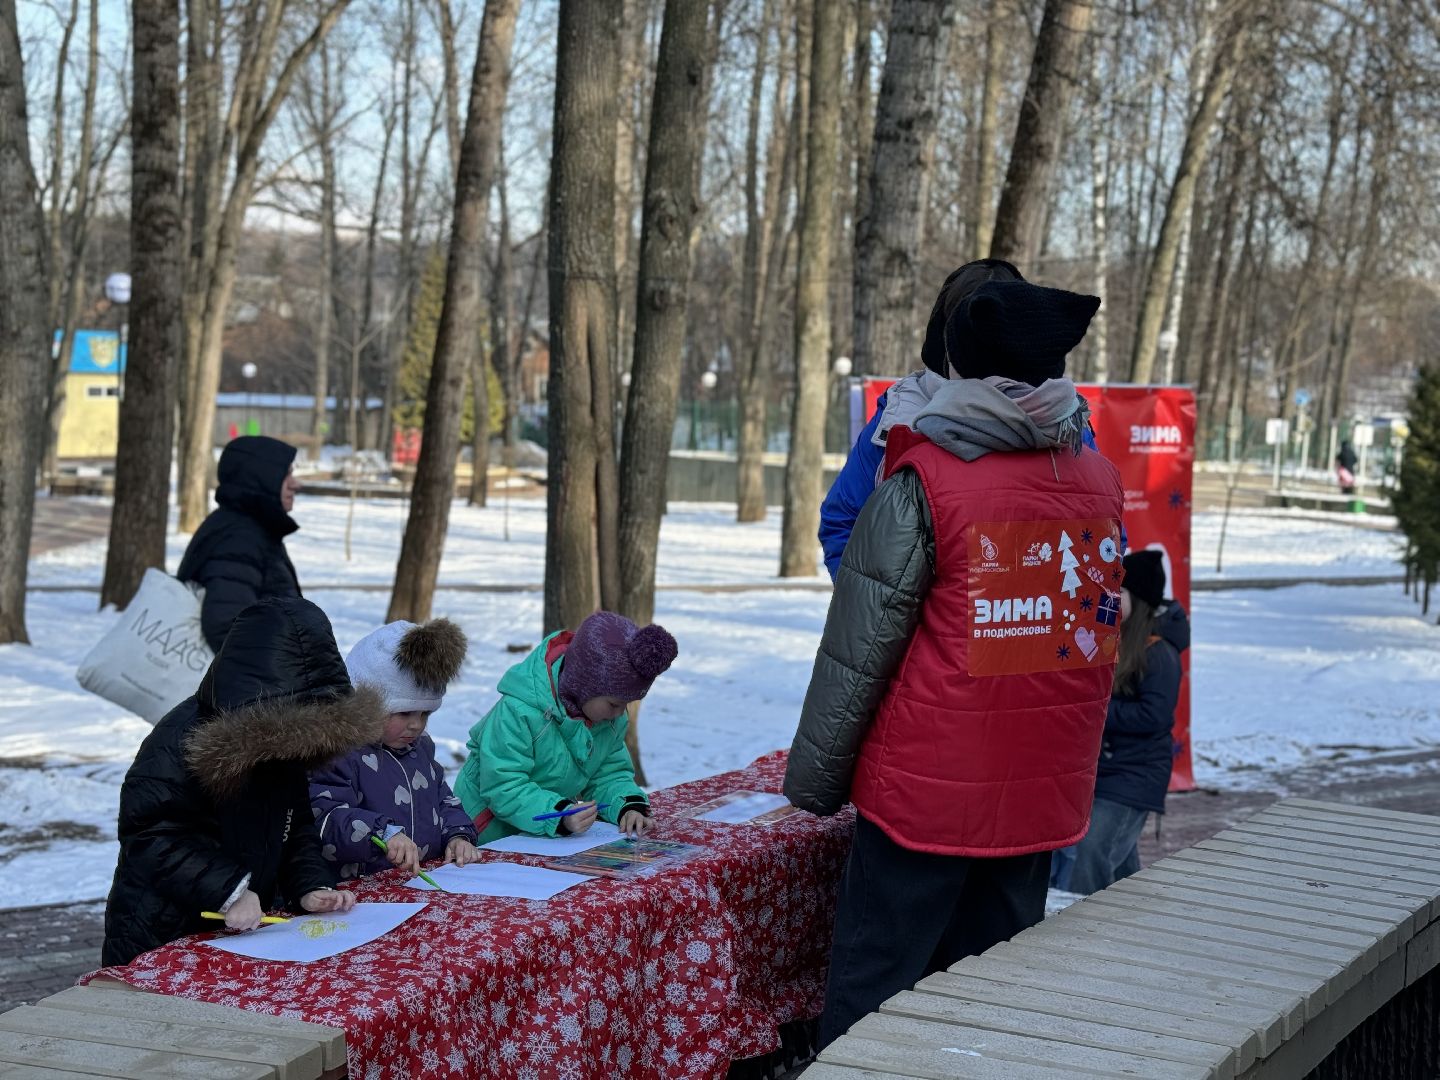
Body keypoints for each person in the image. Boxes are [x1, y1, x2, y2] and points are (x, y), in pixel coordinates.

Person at [783, 277, 1125, 1048]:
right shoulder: (1099, 482)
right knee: (988, 999)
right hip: (1040, 797)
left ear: (960, 365)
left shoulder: (926, 478)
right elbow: (1087, 641)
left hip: (924, 800)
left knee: (875, 991)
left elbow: (859, 648)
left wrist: (813, 780)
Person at [102, 597, 385, 967]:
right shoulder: (178, 741)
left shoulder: (284, 747)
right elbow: (153, 837)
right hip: (160, 932)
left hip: (234, 934)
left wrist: (310, 885)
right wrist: (229, 890)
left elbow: (294, 825)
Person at [819, 259, 1111, 580]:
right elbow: (843, 521)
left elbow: (1106, 529)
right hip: (930, 626)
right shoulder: (901, 415)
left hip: (1039, 621)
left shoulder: (1062, 421)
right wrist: (879, 611)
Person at [453, 611, 677, 844]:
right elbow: (503, 784)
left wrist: (627, 806)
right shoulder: (519, 711)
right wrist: (559, 814)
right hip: (482, 831)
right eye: (614, 703)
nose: (621, 713)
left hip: (539, 837)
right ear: (584, 685)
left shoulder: (606, 721)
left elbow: (609, 773)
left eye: (627, 703)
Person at [1052, 550, 1189, 895]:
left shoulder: (1160, 653)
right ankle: (1135, 922)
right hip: (1108, 769)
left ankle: (1089, 928)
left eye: (1119, 593)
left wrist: (1097, 710)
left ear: (1139, 600)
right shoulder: (1116, 639)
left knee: (1092, 850)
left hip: (1136, 775)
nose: (1110, 599)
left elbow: (1154, 715)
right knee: (1120, 862)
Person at [310, 618, 480, 880]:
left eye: (425, 713)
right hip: (360, 892)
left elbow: (444, 800)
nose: (416, 725)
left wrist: (458, 835)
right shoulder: (340, 753)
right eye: (403, 712)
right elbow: (325, 816)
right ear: (365, 705)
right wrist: (380, 833)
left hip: (419, 885)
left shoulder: (420, 750)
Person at [178, 435, 304, 652]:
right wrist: (280, 669)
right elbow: (226, 627)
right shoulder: (240, 539)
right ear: (262, 479)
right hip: (251, 684)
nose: (296, 484)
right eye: (286, 474)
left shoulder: (252, 529)